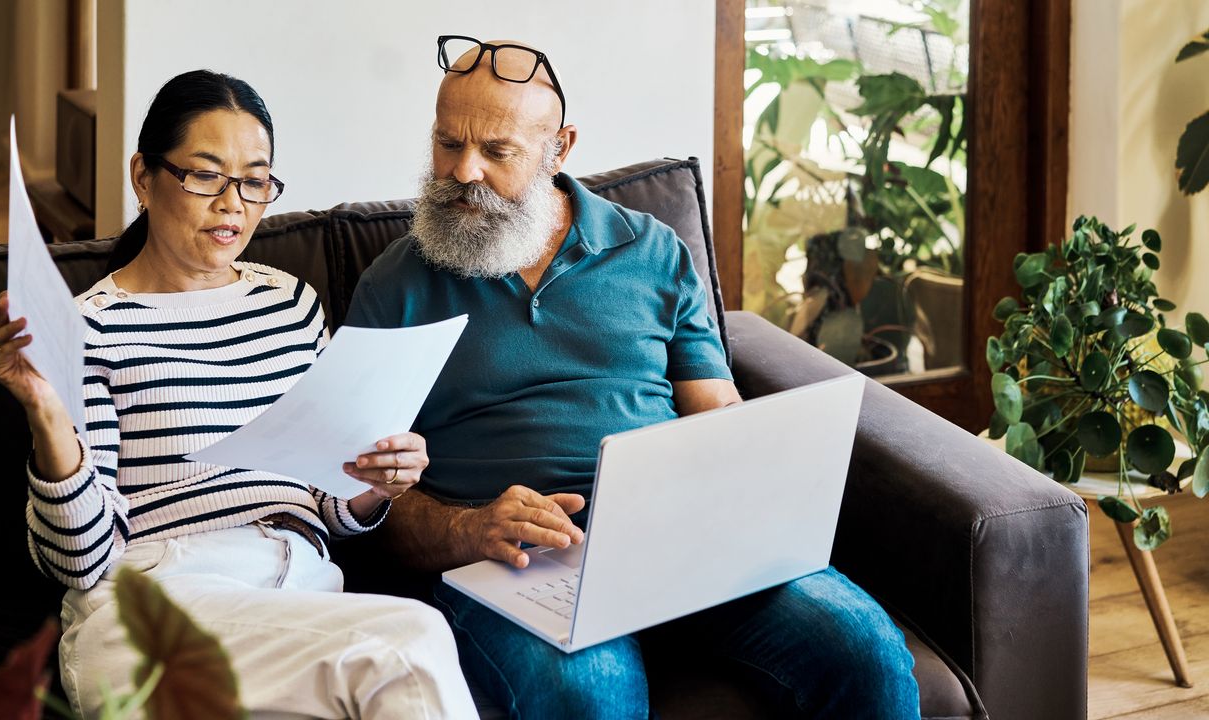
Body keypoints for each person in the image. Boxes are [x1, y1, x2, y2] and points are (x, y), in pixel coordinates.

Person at [345, 37, 921, 719]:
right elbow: (366, 500)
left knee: (865, 649)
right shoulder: (396, 283)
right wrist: (472, 529)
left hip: (677, 542)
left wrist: (754, 491)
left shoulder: (652, 250)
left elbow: (717, 411)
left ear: (560, 148)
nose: (463, 171)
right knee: (588, 697)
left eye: (497, 152)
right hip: (513, 565)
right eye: (448, 143)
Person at [0, 70, 477, 720]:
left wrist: (377, 482)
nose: (233, 203)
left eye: (254, 180)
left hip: (301, 594)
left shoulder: (291, 304)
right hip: (157, 598)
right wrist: (49, 419)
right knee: (410, 641)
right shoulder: (89, 325)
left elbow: (331, 503)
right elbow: (80, 559)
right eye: (206, 175)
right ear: (144, 176)